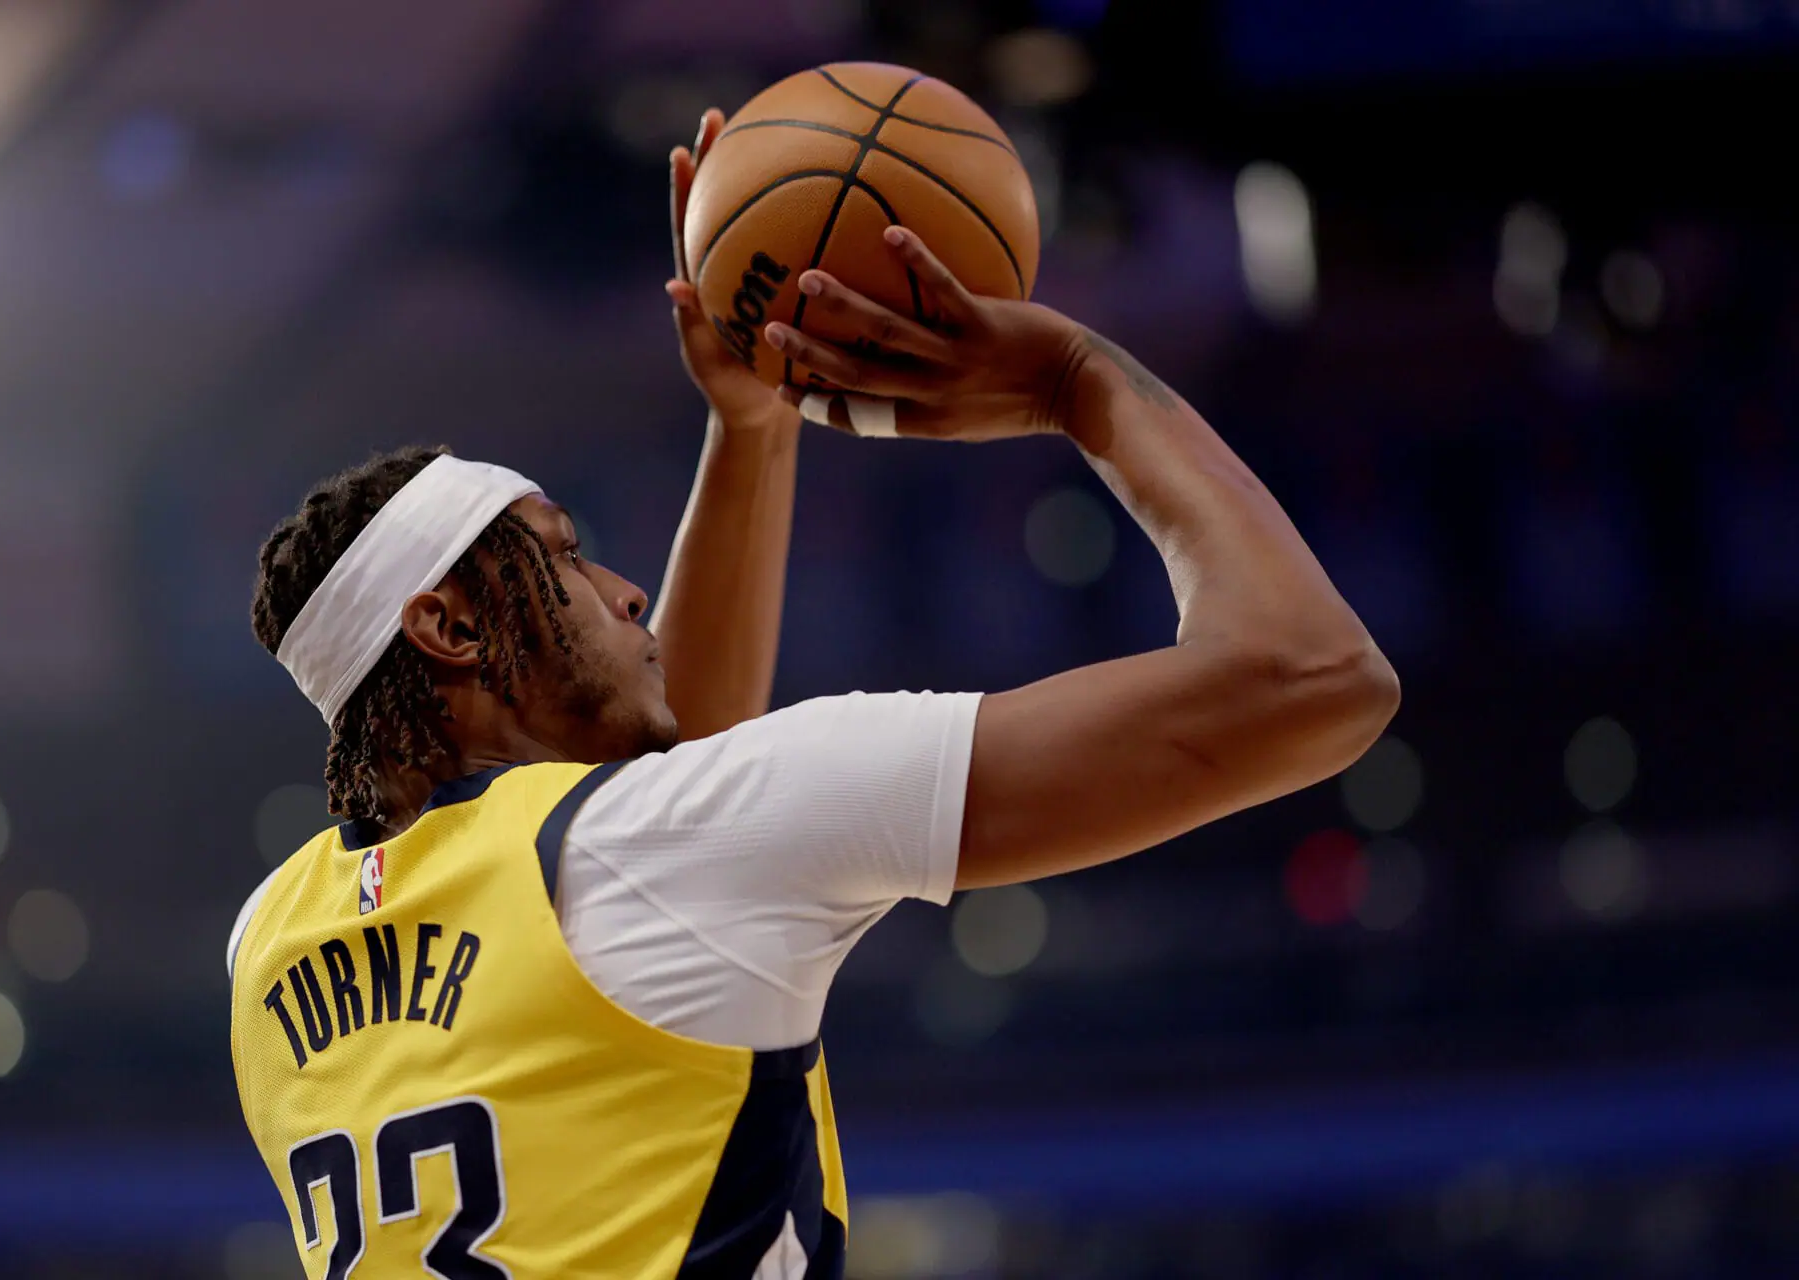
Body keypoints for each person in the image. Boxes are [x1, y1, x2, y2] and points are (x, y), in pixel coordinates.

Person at [226, 110, 1399, 1280]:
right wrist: (1074, 379)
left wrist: (753, 429)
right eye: (568, 555)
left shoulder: (268, 945)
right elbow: (1315, 679)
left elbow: (668, 829)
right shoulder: (667, 849)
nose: (627, 592)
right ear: (447, 622)